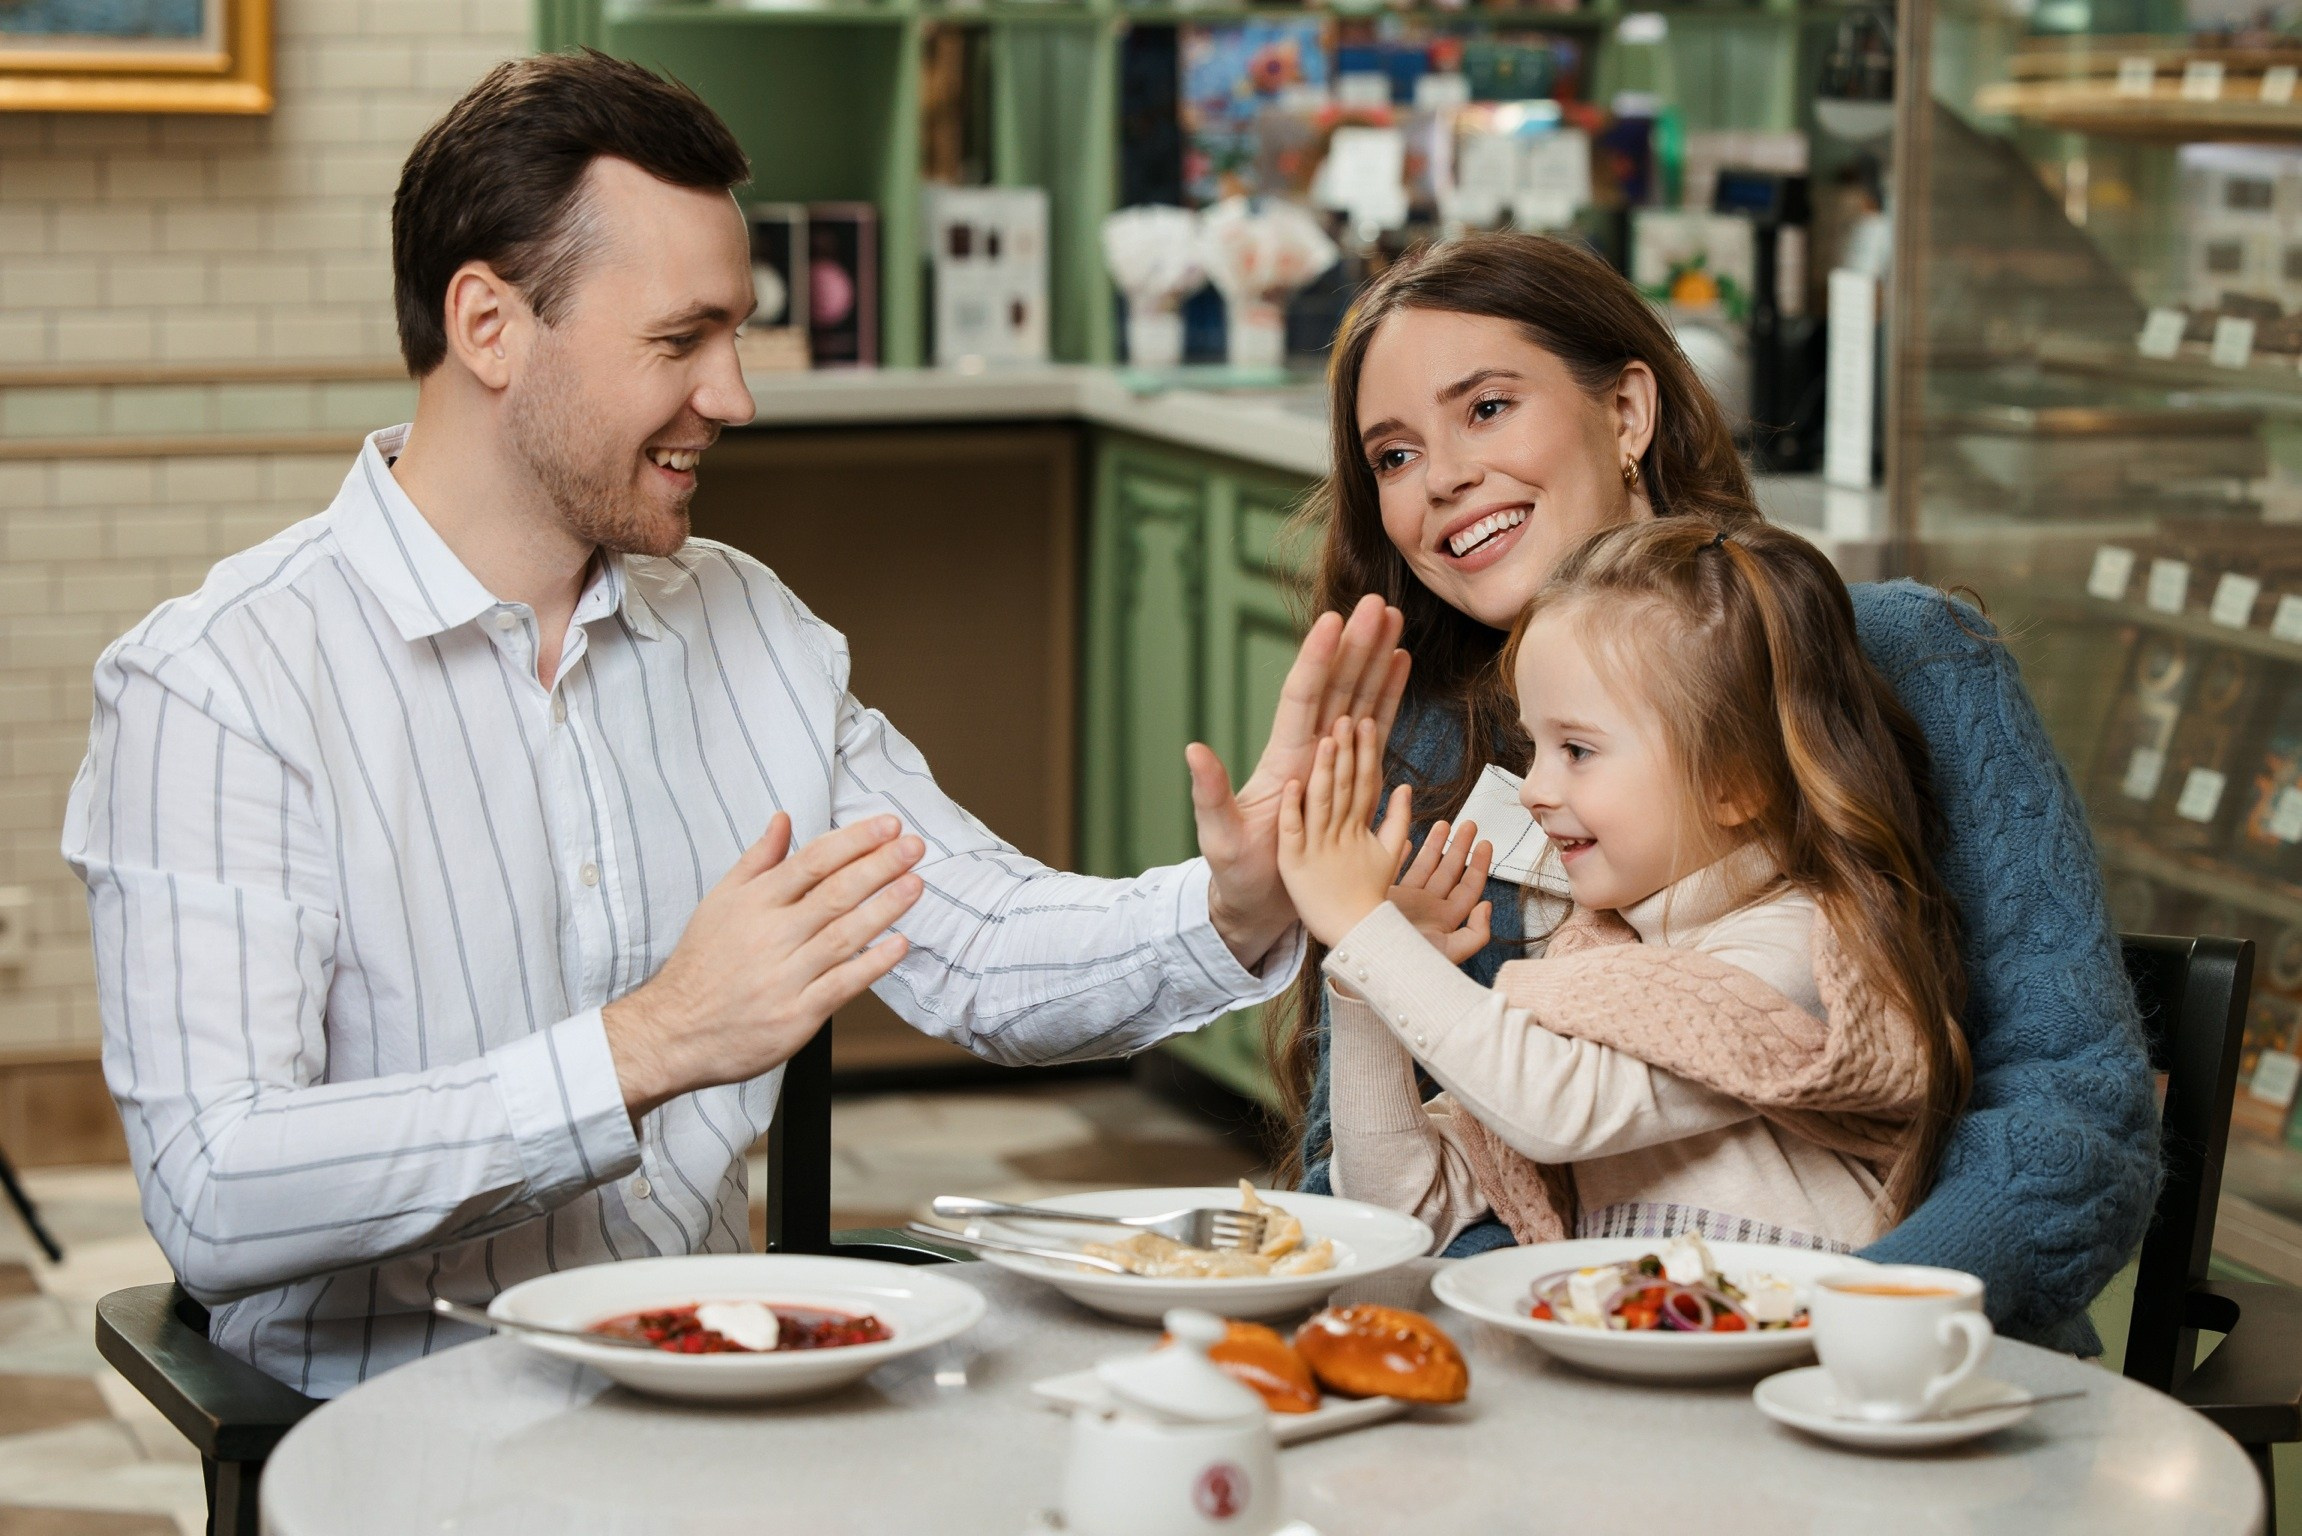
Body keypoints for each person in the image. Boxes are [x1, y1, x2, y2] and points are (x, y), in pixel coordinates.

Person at [59, 51, 1406, 1397]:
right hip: (380, 1445)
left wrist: (1234, 905)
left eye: (737, 333)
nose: (736, 395)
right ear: (488, 326)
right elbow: (216, 1189)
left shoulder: (745, 626)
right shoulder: (219, 686)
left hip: (720, 1404)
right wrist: (650, 1044)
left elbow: (985, 947)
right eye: (678, 340)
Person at [1277, 232, 2158, 1353]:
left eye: (1487, 408)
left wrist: (1824, 1325)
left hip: (1899, 1384)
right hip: (1575, 1389)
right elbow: (1360, 1170)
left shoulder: (1899, 658)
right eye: (1392, 457)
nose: (1442, 476)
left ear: (1628, 412)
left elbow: (2072, 1118)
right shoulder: (1422, 745)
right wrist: (1593, 1323)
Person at [1282, 516, 1971, 1257]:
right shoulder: (1591, 960)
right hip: (1640, 1351)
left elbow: (1551, 1105)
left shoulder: (1808, 947)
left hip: (1800, 1361)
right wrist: (1366, 992)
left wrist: (1368, 933)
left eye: (1577, 749)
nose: (1535, 789)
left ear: (1733, 782)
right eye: (1535, 746)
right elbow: (1403, 1206)